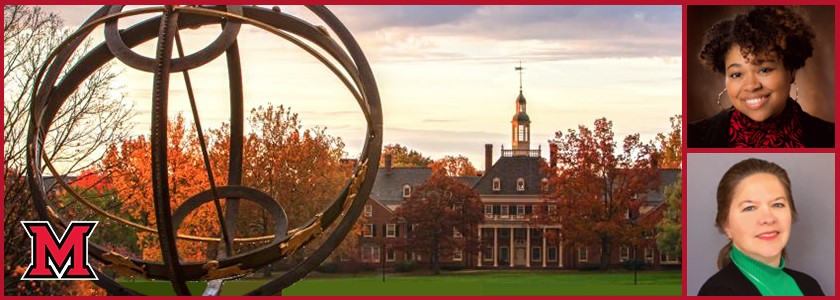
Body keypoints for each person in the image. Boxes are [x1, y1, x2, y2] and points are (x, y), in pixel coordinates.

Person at [688, 6, 834, 148]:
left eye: (764, 70)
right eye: (737, 74)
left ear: (791, 71)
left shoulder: (830, 138)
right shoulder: (693, 138)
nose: (751, 85)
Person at [698, 158, 824, 296]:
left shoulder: (809, 286)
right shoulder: (718, 292)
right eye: (750, 208)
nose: (768, 219)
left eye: (777, 205)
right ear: (726, 225)